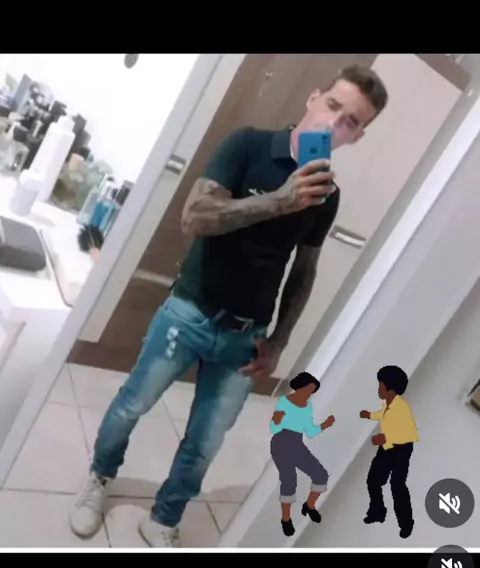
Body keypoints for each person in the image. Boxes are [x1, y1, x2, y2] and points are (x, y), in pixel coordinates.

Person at [69, 64, 389, 548]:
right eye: (333, 106)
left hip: (247, 335)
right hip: (189, 312)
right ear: (313, 98)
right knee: (132, 405)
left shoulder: (327, 197)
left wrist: (279, 341)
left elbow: (304, 271)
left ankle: (164, 518)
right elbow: (194, 218)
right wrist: (279, 201)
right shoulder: (247, 145)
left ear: (358, 137)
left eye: (350, 122)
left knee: (205, 442)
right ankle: (99, 477)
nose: (333, 124)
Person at [270, 372, 335, 536]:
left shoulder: (307, 407)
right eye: (307, 389)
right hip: (281, 443)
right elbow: (274, 429)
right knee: (289, 481)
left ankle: (309, 505)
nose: (308, 393)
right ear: (299, 386)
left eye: (311, 391)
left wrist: (325, 425)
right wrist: (277, 420)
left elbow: (310, 431)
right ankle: (286, 519)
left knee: (321, 475)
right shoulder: (285, 402)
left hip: (296, 444)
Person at [359, 365, 419, 539]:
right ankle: (377, 511)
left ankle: (406, 524)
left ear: (388, 387)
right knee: (373, 480)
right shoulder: (388, 404)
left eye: (380, 385)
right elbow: (383, 415)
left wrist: (384, 438)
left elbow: (406, 433)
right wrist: (369, 415)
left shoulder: (401, 408)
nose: (378, 389)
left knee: (397, 485)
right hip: (387, 447)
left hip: (401, 449)